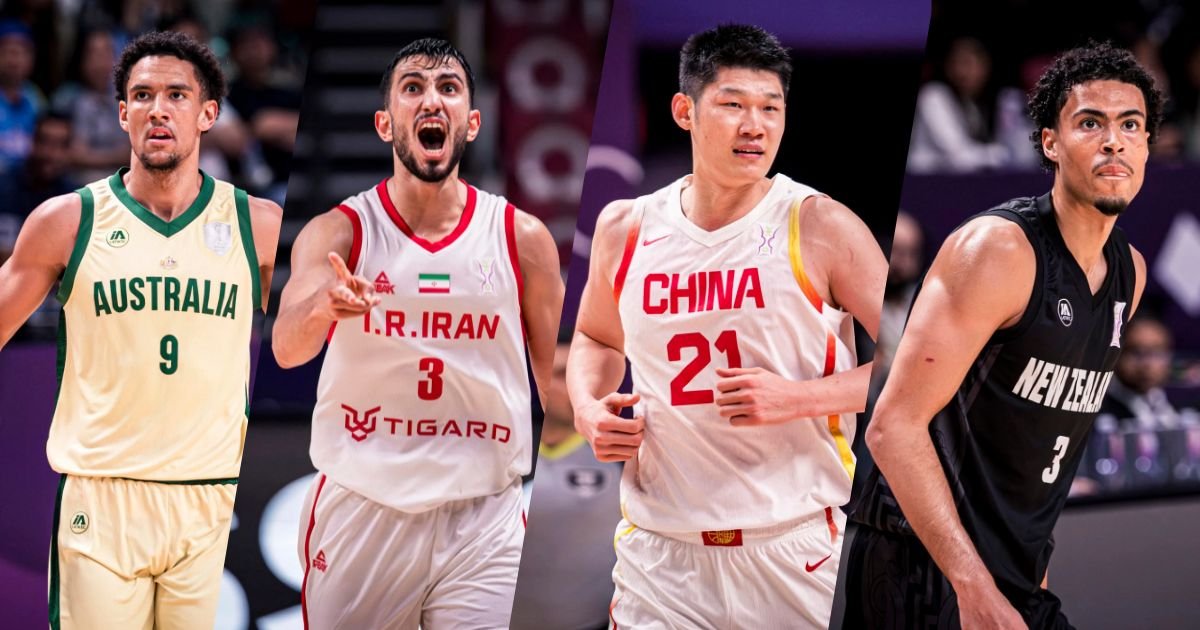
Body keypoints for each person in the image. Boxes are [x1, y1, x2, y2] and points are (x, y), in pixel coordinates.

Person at [567, 24, 886, 628]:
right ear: (684, 111)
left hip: (793, 547)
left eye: (771, 108)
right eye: (733, 105)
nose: (754, 126)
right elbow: (595, 337)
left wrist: (798, 398)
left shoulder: (821, 224)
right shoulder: (625, 227)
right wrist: (587, 409)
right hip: (659, 553)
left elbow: (917, 365)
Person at [845, 42, 1157, 629]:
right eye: (1091, 123)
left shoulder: (1129, 272)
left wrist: (1031, 571)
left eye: (1130, 125)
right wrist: (972, 586)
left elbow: (1042, 442)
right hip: (922, 565)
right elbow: (893, 427)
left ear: (1146, 145)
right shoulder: (998, 249)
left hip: (1010, 572)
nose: (1114, 141)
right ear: (1050, 143)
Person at [272, 37, 562, 629]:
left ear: (472, 123)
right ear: (385, 124)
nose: (432, 100)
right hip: (366, 508)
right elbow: (285, 348)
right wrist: (325, 306)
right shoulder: (340, 233)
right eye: (413, 88)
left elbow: (555, 378)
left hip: (485, 517)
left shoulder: (522, 238)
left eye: (448, 88)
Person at [0, 30, 281, 629]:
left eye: (177, 95)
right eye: (143, 95)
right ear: (123, 113)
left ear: (208, 114)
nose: (158, 109)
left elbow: (306, 328)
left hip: (208, 495)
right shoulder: (67, 221)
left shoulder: (256, 225)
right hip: (101, 499)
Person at [509, 340, 621, 630]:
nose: (571, 386)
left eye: (576, 375)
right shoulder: (509, 454)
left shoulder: (621, 456)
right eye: (560, 374)